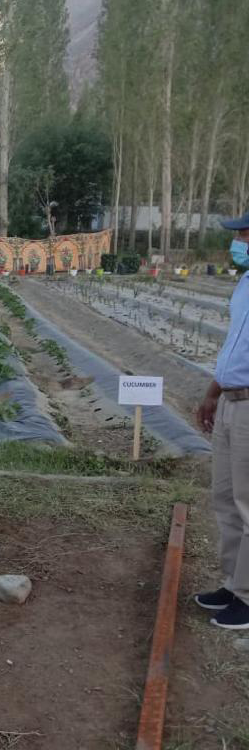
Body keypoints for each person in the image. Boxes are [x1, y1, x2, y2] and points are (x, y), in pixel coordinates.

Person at [194, 211, 249, 630]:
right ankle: (233, 585)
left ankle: (247, 597)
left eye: (245, 234)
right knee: (226, 497)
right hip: (232, 401)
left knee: (248, 503)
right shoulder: (244, 284)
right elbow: (235, 347)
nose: (239, 241)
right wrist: (213, 393)